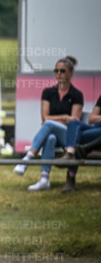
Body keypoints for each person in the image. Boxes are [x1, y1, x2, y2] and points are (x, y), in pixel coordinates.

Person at [13, 56, 83, 192]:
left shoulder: (76, 94)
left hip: (69, 137)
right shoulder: (48, 93)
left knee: (50, 125)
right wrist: (63, 117)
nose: (58, 74)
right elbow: (44, 118)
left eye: (62, 71)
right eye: (56, 71)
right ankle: (44, 179)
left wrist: (58, 119)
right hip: (55, 134)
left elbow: (74, 120)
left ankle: (27, 158)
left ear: (71, 73)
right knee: (50, 137)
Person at [58, 92, 101, 192]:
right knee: (73, 123)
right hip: (96, 130)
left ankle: (70, 177)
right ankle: (71, 153)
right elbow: (91, 119)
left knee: (76, 138)